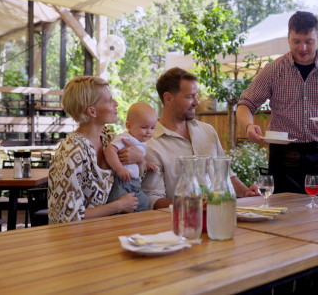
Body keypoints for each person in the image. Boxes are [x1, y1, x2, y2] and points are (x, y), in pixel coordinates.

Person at [237, 11, 318, 197]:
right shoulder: (273, 69)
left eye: (309, 41)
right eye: (296, 41)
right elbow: (245, 104)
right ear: (288, 38)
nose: (302, 48)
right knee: (282, 213)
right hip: (282, 153)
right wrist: (248, 125)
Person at [142, 67, 259, 210]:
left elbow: (226, 174)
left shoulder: (207, 131)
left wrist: (246, 192)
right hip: (177, 224)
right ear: (168, 98)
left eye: (196, 95)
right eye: (189, 96)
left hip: (219, 217)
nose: (197, 102)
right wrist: (197, 206)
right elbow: (153, 199)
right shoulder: (150, 143)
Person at [48, 76, 144, 224]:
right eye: (109, 100)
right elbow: (67, 217)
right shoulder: (71, 150)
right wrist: (118, 206)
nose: (116, 103)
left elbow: (133, 181)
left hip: (108, 230)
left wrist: (140, 159)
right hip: (76, 239)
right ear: (92, 112)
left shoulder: (108, 137)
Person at [104, 102, 158, 212]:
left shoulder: (141, 141)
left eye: (152, 128)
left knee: (144, 202)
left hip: (134, 183)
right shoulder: (125, 138)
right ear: (129, 126)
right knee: (119, 207)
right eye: (144, 127)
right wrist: (120, 169)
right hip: (122, 181)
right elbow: (110, 150)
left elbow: (135, 161)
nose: (149, 132)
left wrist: (146, 164)